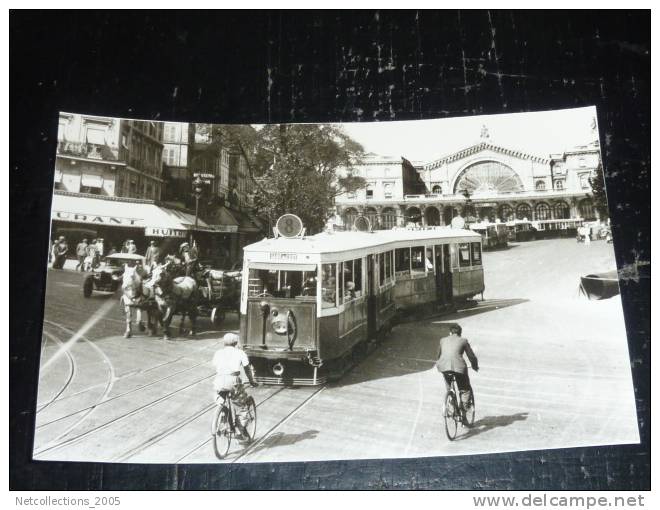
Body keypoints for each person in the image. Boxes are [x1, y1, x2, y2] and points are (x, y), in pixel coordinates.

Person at [212, 333, 259, 440]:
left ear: (224, 343)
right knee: (242, 406)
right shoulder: (240, 352)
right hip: (233, 381)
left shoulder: (218, 352)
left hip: (219, 381)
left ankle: (223, 418)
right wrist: (251, 381)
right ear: (236, 343)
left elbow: (215, 365)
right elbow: (247, 368)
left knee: (220, 399)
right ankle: (242, 431)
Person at [436, 324, 479, 420]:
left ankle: (451, 402)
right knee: (465, 390)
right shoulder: (463, 341)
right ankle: (463, 414)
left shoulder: (442, 340)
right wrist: (475, 366)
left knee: (449, 387)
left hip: (444, 367)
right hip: (459, 368)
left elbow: (438, 355)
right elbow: (471, 356)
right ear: (460, 333)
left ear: (450, 332)